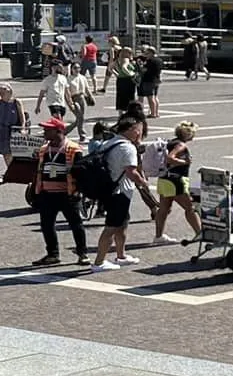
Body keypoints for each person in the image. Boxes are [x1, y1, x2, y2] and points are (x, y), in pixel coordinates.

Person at [91, 113, 155, 272]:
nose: (139, 133)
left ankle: (121, 255)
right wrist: (143, 183)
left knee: (122, 223)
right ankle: (99, 262)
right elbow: (131, 172)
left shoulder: (109, 143)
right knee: (111, 227)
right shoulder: (127, 147)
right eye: (138, 130)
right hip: (119, 192)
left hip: (108, 188)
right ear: (130, 130)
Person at [30, 117, 89, 266]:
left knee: (76, 224)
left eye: (47, 130)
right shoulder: (44, 149)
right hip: (47, 194)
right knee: (47, 225)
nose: (44, 132)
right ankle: (52, 254)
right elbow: (39, 170)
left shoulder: (73, 149)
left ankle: (82, 254)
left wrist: (78, 191)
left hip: (67, 194)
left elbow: (81, 173)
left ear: (58, 131)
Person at [150, 122, 202, 244]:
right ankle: (199, 233)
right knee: (190, 207)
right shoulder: (180, 145)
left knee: (164, 209)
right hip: (176, 181)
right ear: (188, 134)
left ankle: (159, 236)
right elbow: (169, 158)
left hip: (164, 179)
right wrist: (185, 162)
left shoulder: (171, 142)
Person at [138, 45, 163, 118]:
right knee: (155, 96)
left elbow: (144, 70)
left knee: (150, 97)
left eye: (147, 53)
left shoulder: (150, 61)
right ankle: (156, 112)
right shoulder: (159, 60)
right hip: (156, 79)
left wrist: (140, 66)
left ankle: (153, 113)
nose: (146, 55)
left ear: (151, 53)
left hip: (148, 80)